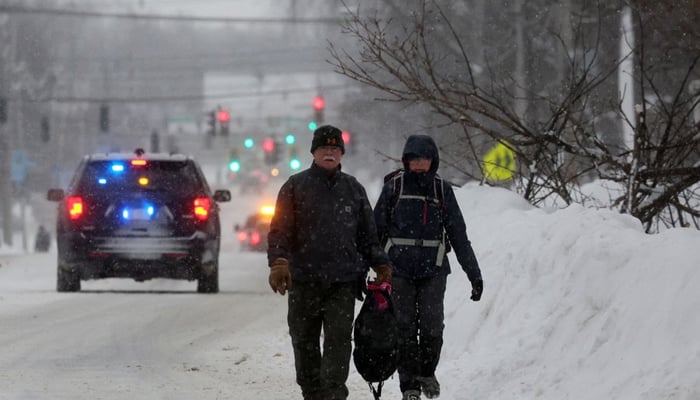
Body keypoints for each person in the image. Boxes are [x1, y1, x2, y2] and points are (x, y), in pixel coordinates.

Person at [267, 124, 392, 400]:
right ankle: (312, 392)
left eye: (335, 149)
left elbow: (368, 236)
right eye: (324, 148)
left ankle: (334, 393)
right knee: (304, 340)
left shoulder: (353, 189)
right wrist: (278, 262)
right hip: (304, 281)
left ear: (341, 154)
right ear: (314, 152)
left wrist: (381, 265)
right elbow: (280, 230)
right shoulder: (295, 186)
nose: (330, 153)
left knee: (338, 341)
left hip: (342, 283)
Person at [373, 134, 483, 400]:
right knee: (404, 328)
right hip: (398, 270)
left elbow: (458, 234)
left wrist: (474, 274)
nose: (420, 164)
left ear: (433, 161)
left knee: (433, 327)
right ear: (406, 160)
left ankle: (427, 372)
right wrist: (369, 268)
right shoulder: (394, 187)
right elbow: (375, 232)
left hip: (433, 270)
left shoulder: (441, 190)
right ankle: (409, 386)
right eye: (415, 159)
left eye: (425, 159)